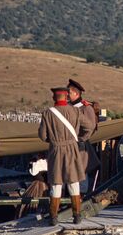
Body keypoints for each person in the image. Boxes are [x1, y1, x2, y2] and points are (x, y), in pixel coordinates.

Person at [38, 87, 92, 225]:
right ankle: (77, 216)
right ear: (66, 97)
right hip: (72, 149)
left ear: (54, 98)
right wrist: (81, 139)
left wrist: (53, 141)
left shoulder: (47, 113)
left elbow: (42, 136)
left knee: (56, 184)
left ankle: (54, 217)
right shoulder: (75, 111)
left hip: (56, 151)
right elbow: (89, 127)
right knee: (74, 183)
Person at [67, 79, 100, 193]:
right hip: (69, 146)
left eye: (69, 93)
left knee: (81, 177)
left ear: (76, 94)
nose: (67, 95)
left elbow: (90, 128)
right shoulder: (68, 107)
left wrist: (81, 139)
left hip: (80, 147)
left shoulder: (86, 108)